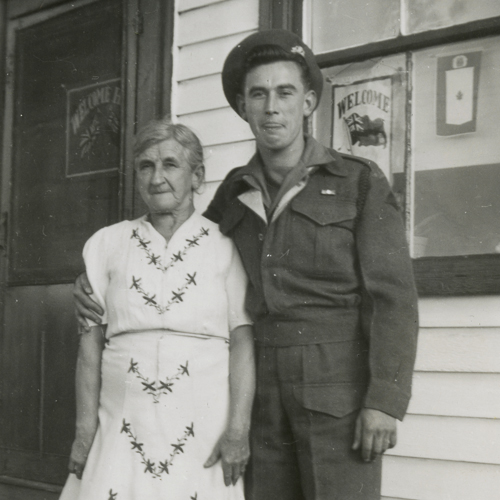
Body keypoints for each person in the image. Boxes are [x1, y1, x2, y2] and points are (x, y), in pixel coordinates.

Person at [74, 30, 419, 500]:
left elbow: (393, 298)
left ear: (310, 102)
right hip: (261, 392)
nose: (271, 107)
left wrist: (385, 401)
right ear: (243, 108)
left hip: (336, 386)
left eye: (285, 92)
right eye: (258, 94)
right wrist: (92, 281)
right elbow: (186, 248)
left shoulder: (357, 181)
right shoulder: (233, 194)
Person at [62, 118, 255, 500]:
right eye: (146, 166)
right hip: (121, 421)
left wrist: (238, 429)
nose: (157, 177)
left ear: (197, 176)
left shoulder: (227, 245)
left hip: (202, 424)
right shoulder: (107, 243)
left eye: (170, 164)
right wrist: (85, 431)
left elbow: (243, 341)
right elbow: (89, 346)